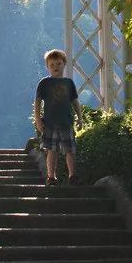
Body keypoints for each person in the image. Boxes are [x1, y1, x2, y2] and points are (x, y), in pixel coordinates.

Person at [33, 48, 79, 186]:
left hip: (66, 121)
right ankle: (51, 177)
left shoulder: (69, 83)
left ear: (64, 64)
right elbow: (37, 101)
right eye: (52, 64)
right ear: (47, 67)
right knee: (51, 150)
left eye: (58, 64)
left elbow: (75, 101)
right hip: (50, 122)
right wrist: (38, 120)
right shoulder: (44, 83)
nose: (55, 67)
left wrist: (80, 118)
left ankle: (72, 175)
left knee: (70, 150)